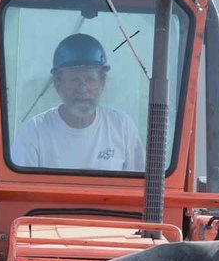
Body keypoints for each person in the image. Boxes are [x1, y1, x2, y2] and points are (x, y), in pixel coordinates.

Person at [11, 33, 146, 172]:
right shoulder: (34, 132)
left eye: (90, 79)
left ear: (102, 84)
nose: (82, 88)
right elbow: (18, 189)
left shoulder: (122, 128)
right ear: (57, 84)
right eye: (74, 79)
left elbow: (140, 187)